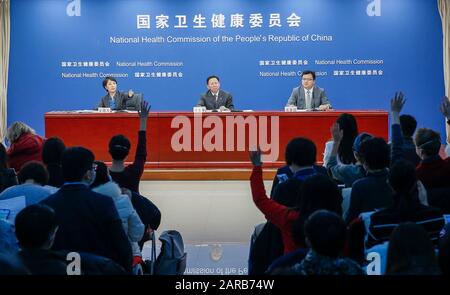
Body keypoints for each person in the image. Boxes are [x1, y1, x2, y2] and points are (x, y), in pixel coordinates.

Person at [40, 147, 133, 272]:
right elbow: (122, 247)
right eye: (93, 168)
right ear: (88, 174)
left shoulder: (46, 204)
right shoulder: (103, 203)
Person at [109, 100, 150, 194]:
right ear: (127, 153)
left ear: (109, 151)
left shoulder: (103, 175)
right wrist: (143, 121)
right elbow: (141, 153)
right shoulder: (134, 172)